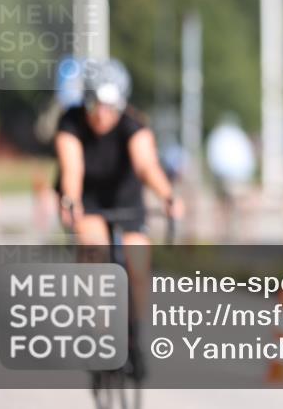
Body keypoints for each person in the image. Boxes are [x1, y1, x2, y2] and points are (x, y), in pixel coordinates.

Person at [54, 57, 183, 379]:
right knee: (94, 248)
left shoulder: (133, 125)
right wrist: (70, 201)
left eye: (109, 106)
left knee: (137, 263)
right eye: (95, 104)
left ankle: (133, 335)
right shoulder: (70, 122)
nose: (101, 114)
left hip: (126, 199)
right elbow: (72, 169)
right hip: (88, 198)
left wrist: (168, 196)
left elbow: (147, 166)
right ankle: (98, 332)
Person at [205, 112, 256, 241]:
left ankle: (221, 235)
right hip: (240, 176)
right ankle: (245, 238)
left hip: (223, 175)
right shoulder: (240, 135)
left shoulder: (218, 135)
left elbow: (213, 158)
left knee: (222, 206)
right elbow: (248, 159)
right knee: (243, 206)